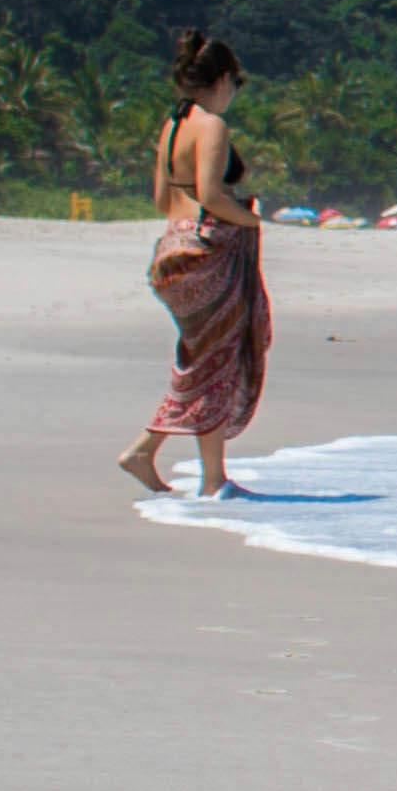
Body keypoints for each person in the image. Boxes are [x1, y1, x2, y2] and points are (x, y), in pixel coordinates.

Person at [120, 33, 269, 498]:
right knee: (215, 359)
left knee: (206, 360)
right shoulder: (211, 125)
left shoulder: (172, 126)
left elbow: (164, 198)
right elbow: (210, 194)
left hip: (171, 252)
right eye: (235, 84)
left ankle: (211, 478)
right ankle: (149, 452)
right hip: (206, 253)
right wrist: (252, 220)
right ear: (223, 79)